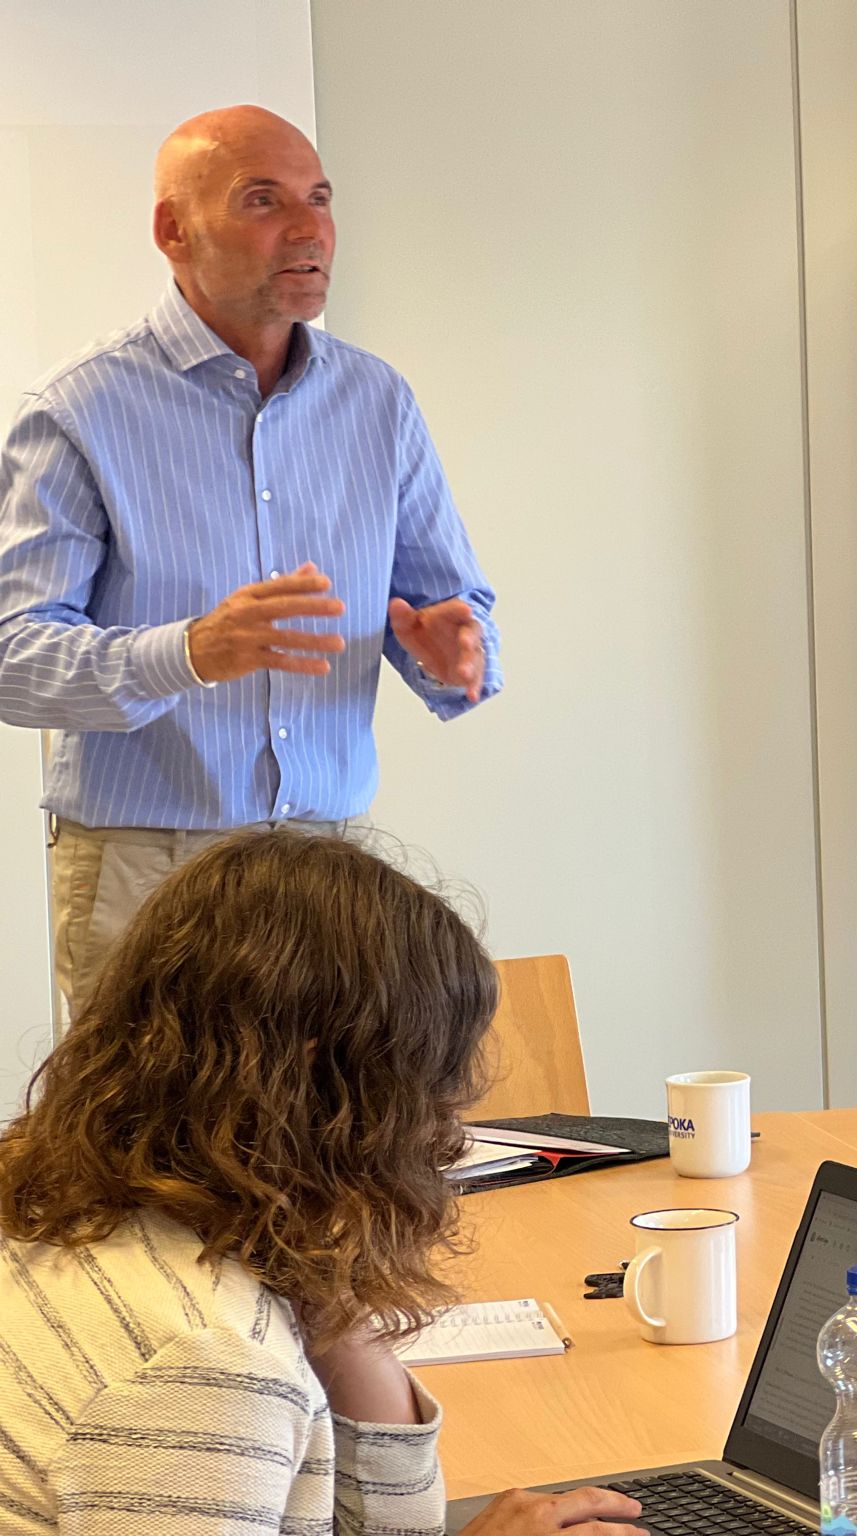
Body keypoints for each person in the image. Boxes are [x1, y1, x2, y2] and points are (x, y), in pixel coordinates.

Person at [0, 104, 502, 1015]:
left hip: (325, 859)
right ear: (173, 231)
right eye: (263, 200)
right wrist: (191, 651)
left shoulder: (377, 401)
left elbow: (451, 608)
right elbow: (13, 660)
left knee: (325, 1105)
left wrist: (454, 656)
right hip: (148, 867)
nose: (309, 229)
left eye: (320, 199)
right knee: (144, 1114)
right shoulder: (80, 409)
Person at [0, 829, 640, 1535]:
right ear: (327, 1083)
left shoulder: (80, 1203)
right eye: (428, 1086)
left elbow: (397, 1530)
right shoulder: (205, 1359)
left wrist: (327, 1281)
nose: (446, 1134)